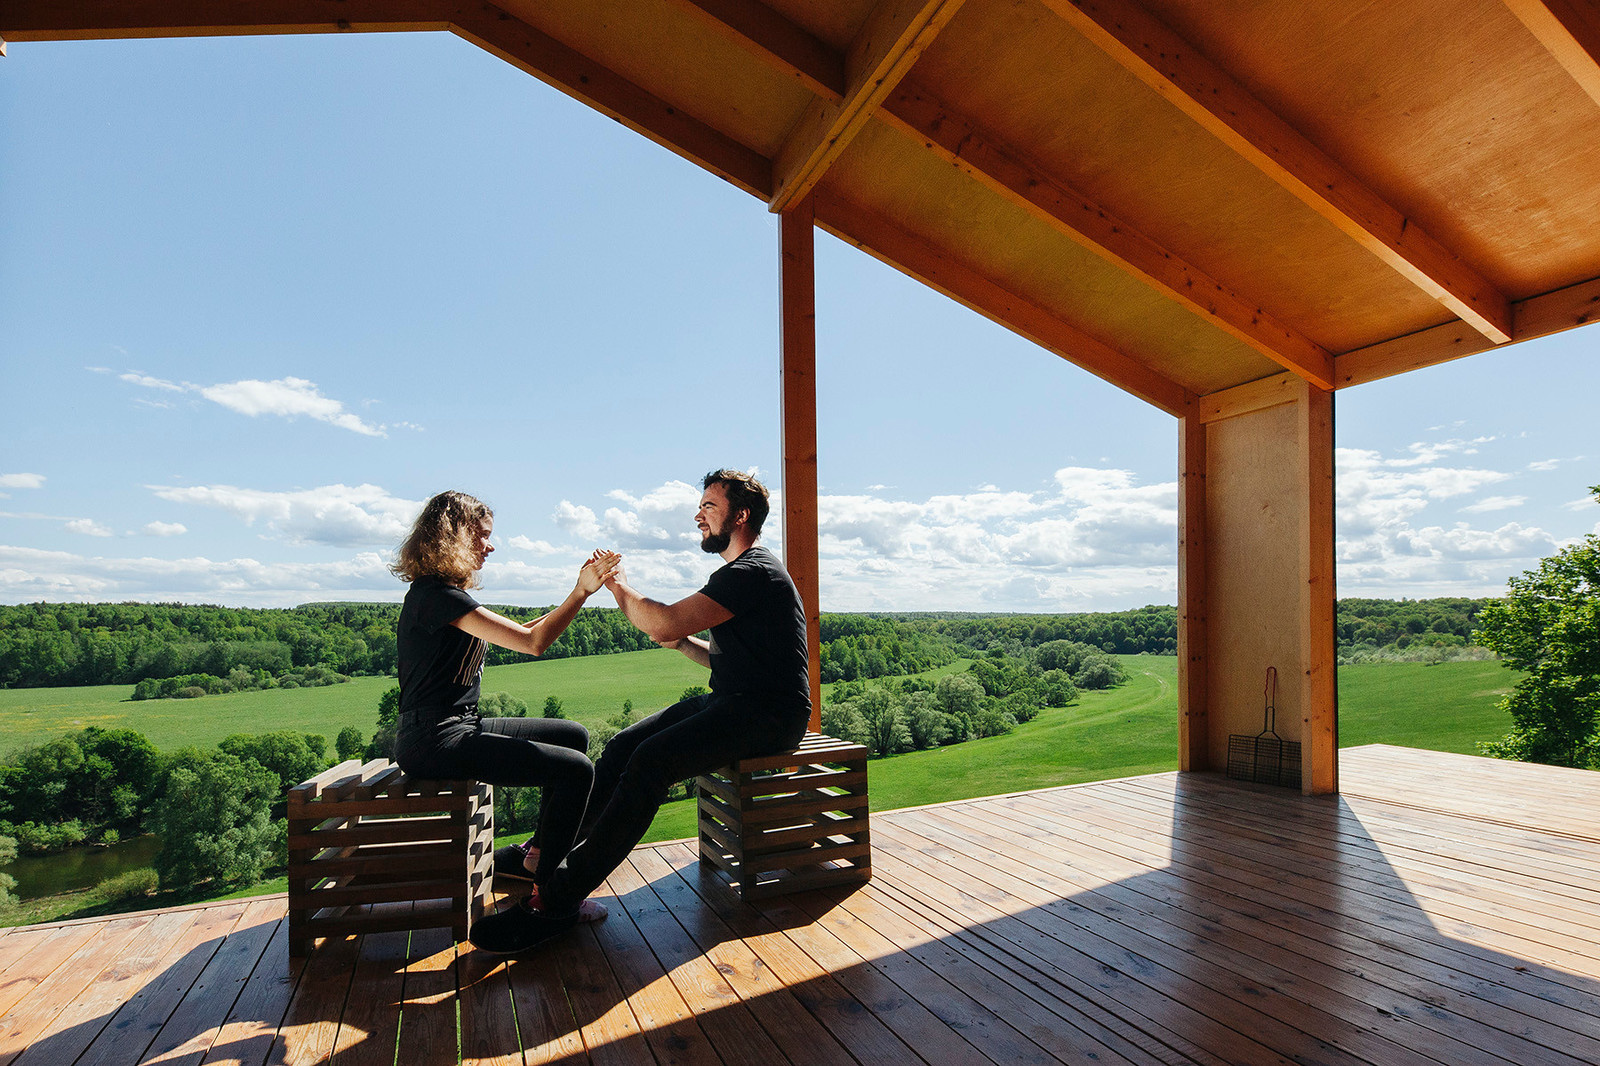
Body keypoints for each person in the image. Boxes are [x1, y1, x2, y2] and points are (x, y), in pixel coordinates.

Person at [469, 469, 811, 953]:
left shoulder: (752, 572)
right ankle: (540, 853)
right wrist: (682, 644)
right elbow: (721, 654)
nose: (698, 516)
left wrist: (619, 586)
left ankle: (556, 902)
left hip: (770, 717)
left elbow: (663, 618)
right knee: (625, 745)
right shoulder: (741, 575)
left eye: (708, 507)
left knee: (652, 763)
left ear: (741, 515)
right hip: (736, 701)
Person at [392, 490, 617, 919]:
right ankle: (553, 895)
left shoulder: (441, 596)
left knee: (574, 736)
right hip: (433, 740)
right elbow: (533, 643)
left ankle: (535, 853)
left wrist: (575, 597)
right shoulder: (438, 597)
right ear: (452, 536)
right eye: (482, 536)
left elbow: (516, 631)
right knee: (576, 771)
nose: (490, 546)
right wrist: (580, 593)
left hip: (456, 725)